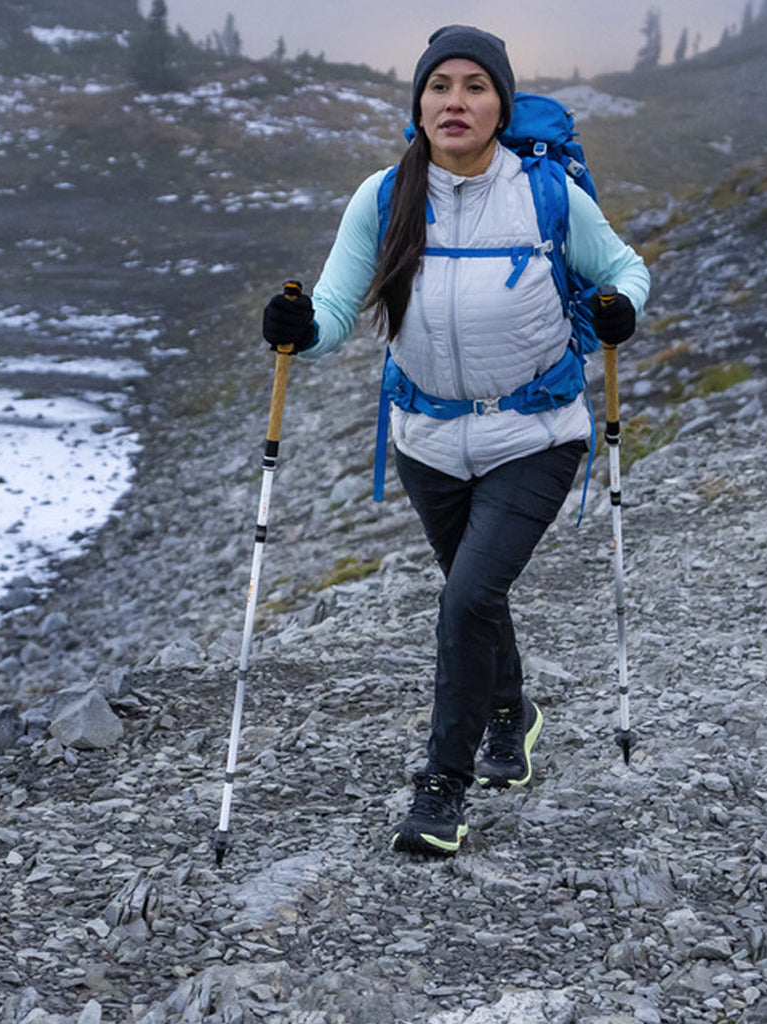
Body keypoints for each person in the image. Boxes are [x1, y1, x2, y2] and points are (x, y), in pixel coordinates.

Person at [261, 25, 650, 856]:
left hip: (536, 431)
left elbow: (626, 267)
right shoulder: (382, 195)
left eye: (476, 86)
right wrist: (303, 328)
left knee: (466, 598)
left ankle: (442, 786)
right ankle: (513, 713)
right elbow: (334, 307)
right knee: (476, 597)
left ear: (501, 104)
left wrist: (621, 307)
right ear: (420, 103)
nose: (456, 102)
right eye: (441, 86)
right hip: (425, 440)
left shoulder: (545, 194)